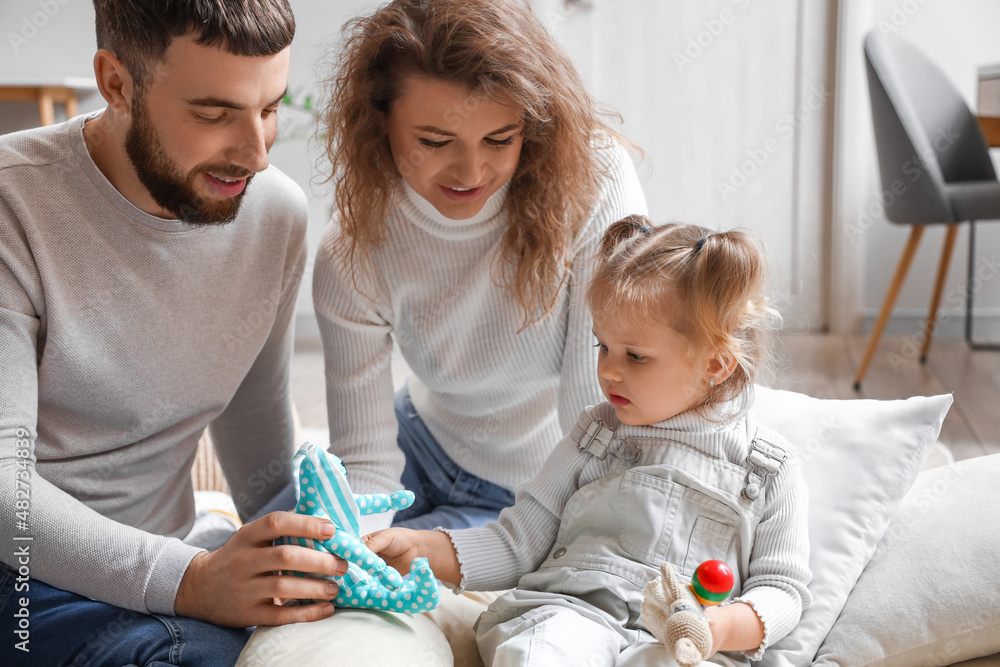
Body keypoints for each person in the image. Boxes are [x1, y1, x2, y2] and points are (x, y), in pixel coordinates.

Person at [0, 2, 349, 665]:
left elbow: (257, 438)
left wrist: (327, 551)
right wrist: (192, 582)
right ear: (117, 83)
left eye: (270, 108)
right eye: (214, 114)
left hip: (177, 561)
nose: (254, 152)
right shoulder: (13, 203)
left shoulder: (273, 214)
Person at [365, 216, 813, 666]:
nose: (609, 371)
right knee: (545, 650)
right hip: (574, 610)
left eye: (635, 356)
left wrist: (717, 629)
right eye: (603, 346)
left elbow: (782, 590)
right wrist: (420, 548)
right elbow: (517, 543)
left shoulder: (768, 469)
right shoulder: (595, 434)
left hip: (683, 642)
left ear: (716, 365)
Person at [313, 0, 648, 534]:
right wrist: (352, 550)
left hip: (529, 487)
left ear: (532, 125)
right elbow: (366, 464)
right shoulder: (352, 247)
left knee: (398, 573)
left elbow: (596, 415)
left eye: (499, 139)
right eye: (433, 142)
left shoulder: (594, 181)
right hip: (416, 440)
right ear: (380, 123)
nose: (471, 172)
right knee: (302, 552)